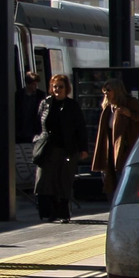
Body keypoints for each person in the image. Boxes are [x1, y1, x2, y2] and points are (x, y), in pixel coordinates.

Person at [34, 74, 87, 223]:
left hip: (68, 148)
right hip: (48, 148)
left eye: (60, 86)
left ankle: (64, 212)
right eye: (55, 86)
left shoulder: (72, 105)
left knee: (64, 180)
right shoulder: (45, 103)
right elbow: (37, 123)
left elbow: (80, 127)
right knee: (45, 179)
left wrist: (83, 148)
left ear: (66, 88)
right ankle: (51, 210)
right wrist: (37, 139)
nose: (57, 89)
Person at [92, 79, 139, 197]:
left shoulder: (131, 103)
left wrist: (131, 115)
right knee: (110, 178)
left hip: (125, 147)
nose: (106, 93)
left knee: (123, 177)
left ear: (117, 90)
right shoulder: (108, 108)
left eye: (109, 90)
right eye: (104, 91)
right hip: (110, 148)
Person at [15, 71, 45, 144]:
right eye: (34, 84)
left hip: (35, 132)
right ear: (28, 84)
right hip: (20, 132)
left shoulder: (41, 95)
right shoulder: (18, 95)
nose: (36, 86)